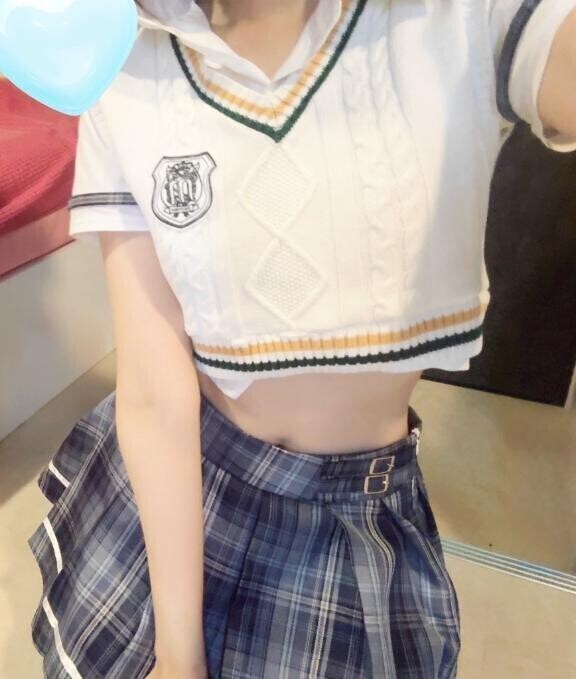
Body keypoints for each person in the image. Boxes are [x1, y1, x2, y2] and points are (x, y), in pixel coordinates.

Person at [26, 1, 576, 678]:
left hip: (362, 509)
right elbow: (152, 390)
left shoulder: (458, 15)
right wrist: (177, 657)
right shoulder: (126, 65)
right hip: (182, 500)